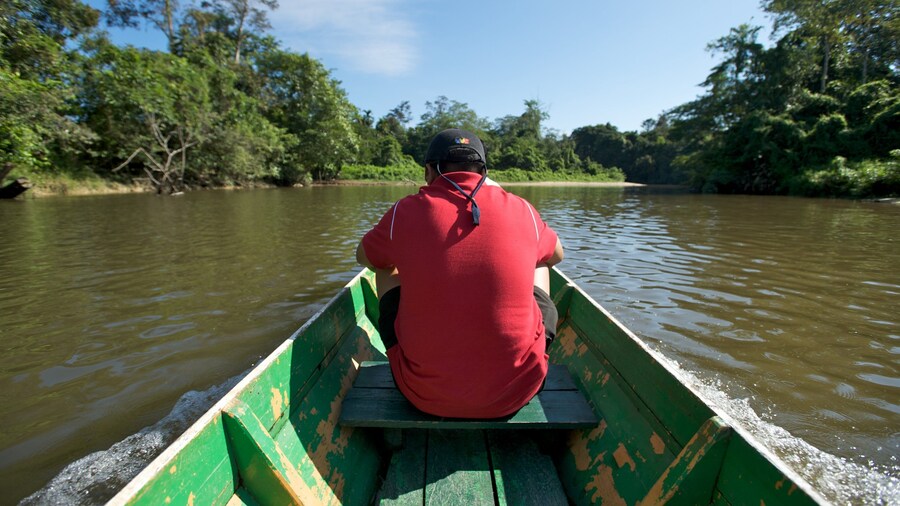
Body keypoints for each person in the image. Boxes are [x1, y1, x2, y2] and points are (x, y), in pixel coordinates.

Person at [355, 128, 564, 418]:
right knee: (540, 261)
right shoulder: (522, 208)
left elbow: (364, 257)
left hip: (422, 395)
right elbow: (558, 254)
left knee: (385, 264)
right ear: (484, 172)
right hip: (519, 392)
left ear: (429, 171)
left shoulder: (403, 211)